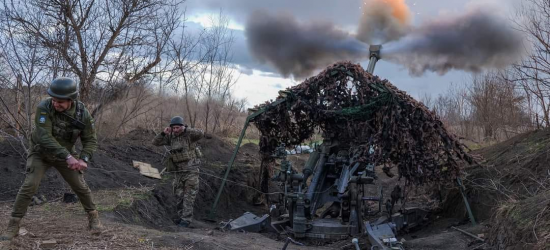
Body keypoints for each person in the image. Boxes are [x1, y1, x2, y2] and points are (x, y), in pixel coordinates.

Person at [0, 77, 101, 241]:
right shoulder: (44, 107)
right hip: (41, 153)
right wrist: (68, 157)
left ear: (71, 100)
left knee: (80, 186)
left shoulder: (83, 115)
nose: (56, 104)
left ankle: (93, 217)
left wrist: (84, 158)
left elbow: (90, 140)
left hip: (65, 154)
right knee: (29, 185)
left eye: (60, 102)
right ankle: (13, 224)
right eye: (54, 100)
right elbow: (43, 137)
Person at [152, 116, 204, 227]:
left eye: (178, 127)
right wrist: (163, 133)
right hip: (178, 172)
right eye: (174, 128)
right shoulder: (171, 137)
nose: (176, 130)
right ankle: (181, 217)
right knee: (179, 195)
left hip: (191, 171)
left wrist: (186, 129)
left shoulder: (190, 135)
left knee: (189, 196)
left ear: (182, 126)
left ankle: (186, 220)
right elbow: (155, 142)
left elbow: (201, 133)